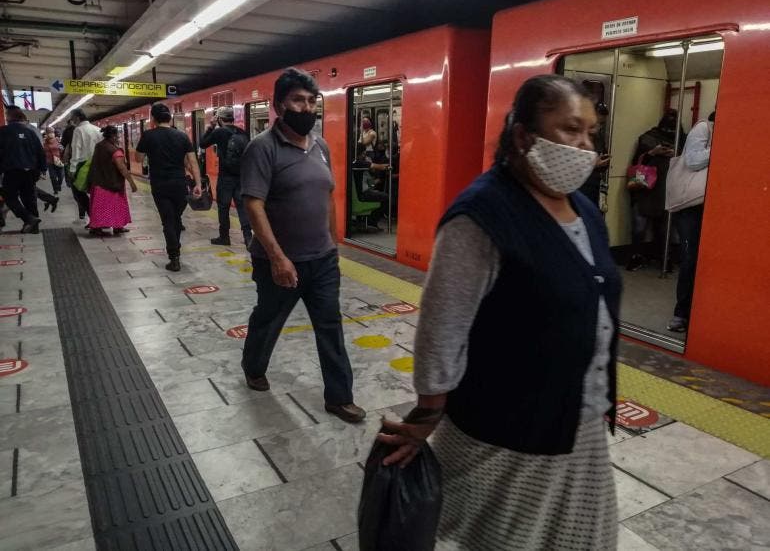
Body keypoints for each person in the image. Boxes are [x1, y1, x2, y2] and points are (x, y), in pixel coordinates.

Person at [378, 75, 621, 550]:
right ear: (523, 135)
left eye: (591, 132)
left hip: (581, 422)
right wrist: (429, 411)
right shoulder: (482, 215)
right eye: (570, 128)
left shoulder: (585, 211)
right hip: (507, 431)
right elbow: (442, 324)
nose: (584, 145)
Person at [240, 68, 365, 424]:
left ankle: (339, 398)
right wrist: (278, 258)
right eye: (298, 100)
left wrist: (335, 243)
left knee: (330, 326)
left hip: (322, 260)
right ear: (280, 105)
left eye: (312, 101)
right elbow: (253, 205)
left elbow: (328, 195)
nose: (306, 107)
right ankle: (253, 365)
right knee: (269, 319)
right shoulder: (262, 148)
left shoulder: (321, 145)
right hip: (279, 262)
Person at [135, 103, 202, 271]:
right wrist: (199, 183)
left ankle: (174, 258)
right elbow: (192, 162)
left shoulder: (148, 136)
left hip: (160, 185)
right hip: (180, 184)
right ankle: (175, 250)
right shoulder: (182, 136)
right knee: (176, 219)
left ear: (153, 119)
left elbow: (137, 159)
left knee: (168, 221)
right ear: (170, 117)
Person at [667, 110, 715, 333]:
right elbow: (694, 161)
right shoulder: (703, 128)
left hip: (711, 205)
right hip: (691, 206)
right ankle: (681, 313)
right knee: (690, 258)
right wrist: (719, 148)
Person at [626, 109, 684, 271]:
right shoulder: (648, 138)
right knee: (640, 227)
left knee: (663, 228)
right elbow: (638, 160)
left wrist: (676, 154)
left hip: (665, 188)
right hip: (646, 187)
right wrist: (653, 152)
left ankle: (663, 257)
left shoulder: (681, 139)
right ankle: (636, 256)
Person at [199, 106, 252, 246]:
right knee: (242, 207)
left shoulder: (219, 132)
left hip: (225, 177)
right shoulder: (242, 132)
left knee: (223, 207)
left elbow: (202, 144)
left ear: (220, 119)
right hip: (241, 177)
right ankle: (248, 238)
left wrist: (211, 127)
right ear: (232, 119)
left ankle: (224, 237)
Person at [0, 106, 45, 233]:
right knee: (30, 199)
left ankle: (28, 218)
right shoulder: (30, 132)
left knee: (9, 197)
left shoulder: (3, 131)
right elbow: (40, 152)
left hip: (12, 170)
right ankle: (34, 227)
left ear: (9, 117)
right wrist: (42, 169)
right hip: (30, 170)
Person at [86, 126, 137, 236]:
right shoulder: (114, 150)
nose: (118, 138)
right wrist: (132, 183)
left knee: (99, 208)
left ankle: (96, 228)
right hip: (111, 184)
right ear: (113, 136)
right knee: (115, 206)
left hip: (98, 183)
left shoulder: (99, 146)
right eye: (117, 136)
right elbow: (122, 168)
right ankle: (117, 226)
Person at [69, 108, 102, 221]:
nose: (71, 120)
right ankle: (99, 218)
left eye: (72, 118)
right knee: (95, 193)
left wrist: (72, 169)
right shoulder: (98, 129)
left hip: (83, 166)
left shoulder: (78, 130)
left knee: (78, 192)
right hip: (98, 165)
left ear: (77, 118)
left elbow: (76, 150)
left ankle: (93, 217)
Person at [578, 102, 610, 206]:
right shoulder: (578, 138)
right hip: (581, 186)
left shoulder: (599, 139)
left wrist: (604, 162)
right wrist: (593, 164)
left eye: (602, 124)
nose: (599, 127)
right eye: (597, 122)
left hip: (594, 184)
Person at [44, 127, 65, 194]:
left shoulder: (58, 140)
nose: (51, 134)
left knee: (61, 176)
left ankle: (59, 185)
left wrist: (61, 149)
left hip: (58, 160)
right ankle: (55, 189)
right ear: (46, 133)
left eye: (52, 132)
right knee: (52, 177)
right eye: (49, 132)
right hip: (50, 162)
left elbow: (62, 148)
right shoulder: (44, 142)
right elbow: (43, 151)